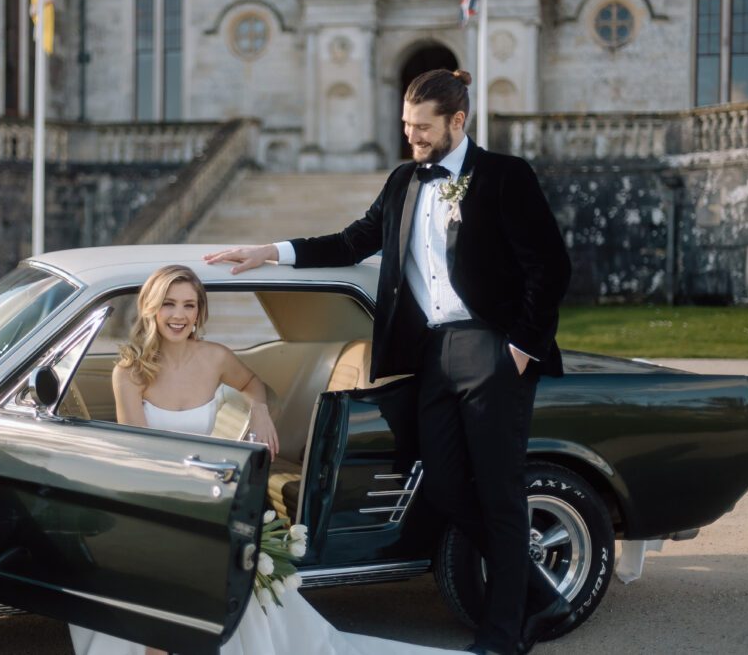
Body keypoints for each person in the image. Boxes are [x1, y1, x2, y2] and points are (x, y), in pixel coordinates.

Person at [204, 69, 574, 655]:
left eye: (423, 128)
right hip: (430, 354)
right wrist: (270, 252)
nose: (413, 139)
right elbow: (354, 240)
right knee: (447, 489)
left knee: (500, 491)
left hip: (492, 351)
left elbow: (548, 267)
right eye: (406, 126)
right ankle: (538, 589)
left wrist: (520, 352)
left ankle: (505, 632)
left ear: (458, 121)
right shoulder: (405, 180)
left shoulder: (505, 176)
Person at [70, 264, 470, 655]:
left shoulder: (215, 357)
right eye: (169, 304)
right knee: (154, 583)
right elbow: (141, 456)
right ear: (151, 308)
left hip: (208, 492)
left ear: (199, 313)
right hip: (157, 494)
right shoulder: (130, 371)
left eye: (189, 306)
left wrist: (258, 410)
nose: (178, 315)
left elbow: (252, 383)